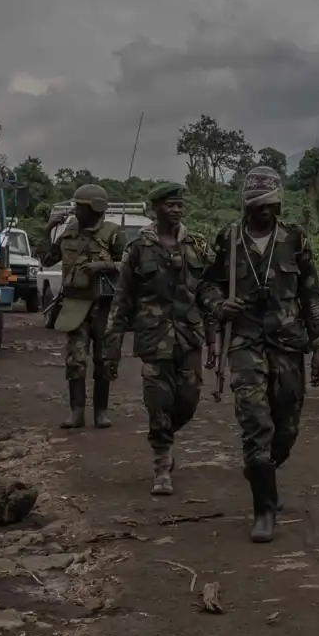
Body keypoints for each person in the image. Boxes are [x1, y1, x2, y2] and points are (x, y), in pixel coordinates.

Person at [202, 166, 319, 543]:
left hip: (289, 343)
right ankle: (263, 510)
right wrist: (217, 306)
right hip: (245, 343)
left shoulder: (295, 239)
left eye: (273, 206)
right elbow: (204, 284)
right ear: (246, 206)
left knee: (286, 427)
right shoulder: (228, 240)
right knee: (255, 421)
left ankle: (265, 471)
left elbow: (311, 294)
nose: (267, 213)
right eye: (260, 207)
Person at [103, 181, 217, 495]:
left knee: (188, 400)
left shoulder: (197, 245)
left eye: (180, 205)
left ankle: (165, 435)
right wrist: (111, 348)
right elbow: (123, 299)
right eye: (170, 205)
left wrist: (213, 339)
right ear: (156, 209)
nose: (177, 210)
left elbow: (207, 292)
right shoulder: (138, 249)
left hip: (188, 336)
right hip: (154, 339)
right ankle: (162, 465)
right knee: (158, 403)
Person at [42, 184, 124, 429]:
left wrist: (105, 266)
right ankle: (76, 412)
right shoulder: (68, 232)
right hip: (75, 304)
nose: (75, 210)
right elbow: (47, 259)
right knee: (75, 360)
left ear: (95, 208)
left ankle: (101, 412)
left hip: (103, 305)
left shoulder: (113, 233)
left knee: (103, 359)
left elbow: (129, 266)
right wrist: (48, 229)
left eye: (79, 205)